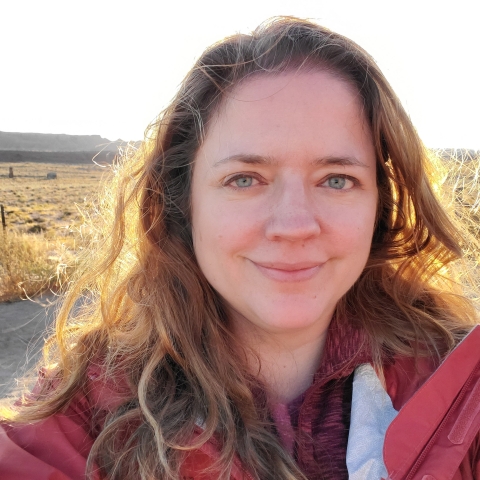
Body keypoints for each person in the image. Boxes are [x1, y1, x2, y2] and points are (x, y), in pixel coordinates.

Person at [1, 16, 479, 480]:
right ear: (183, 202)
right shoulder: (85, 415)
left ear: (382, 204)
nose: (294, 226)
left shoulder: (463, 387)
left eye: (337, 179)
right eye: (245, 179)